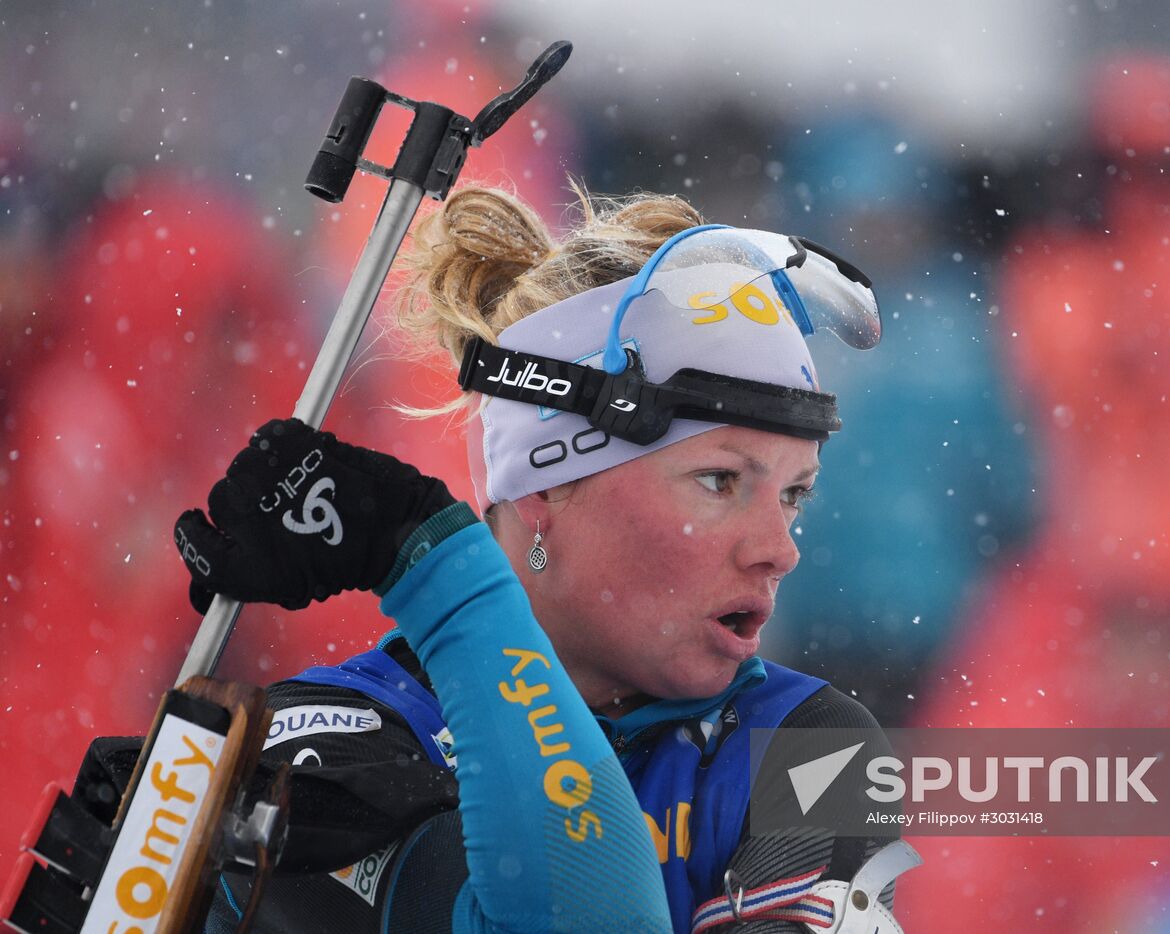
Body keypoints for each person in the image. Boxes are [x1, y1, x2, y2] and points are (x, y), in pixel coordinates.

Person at [91, 182, 906, 933]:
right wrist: (441, 577)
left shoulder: (814, 744)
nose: (779, 551)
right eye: (719, 480)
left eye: (794, 494)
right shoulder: (326, 737)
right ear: (542, 494)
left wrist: (439, 572)